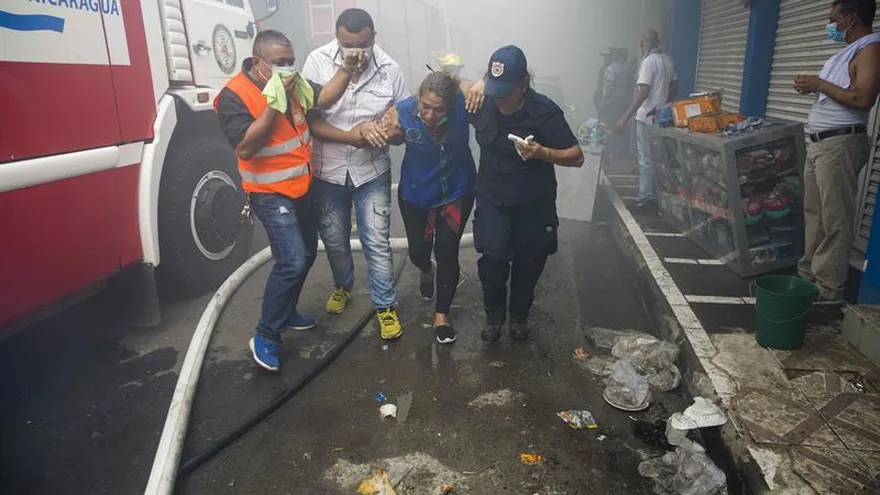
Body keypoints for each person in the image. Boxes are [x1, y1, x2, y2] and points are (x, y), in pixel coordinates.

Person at [214, 30, 361, 372]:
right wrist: (273, 103)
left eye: (291, 61)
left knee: (307, 253)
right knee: (291, 260)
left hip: (302, 187)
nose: (288, 68)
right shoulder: (234, 95)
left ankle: (286, 311)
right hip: (269, 193)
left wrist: (346, 69)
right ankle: (266, 334)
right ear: (258, 63)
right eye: (280, 62)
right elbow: (246, 147)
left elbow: (325, 98)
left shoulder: (295, 85)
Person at [302, 8, 410, 340]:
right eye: (348, 45)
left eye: (363, 44)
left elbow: (404, 126)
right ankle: (343, 284)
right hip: (327, 171)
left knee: (375, 240)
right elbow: (311, 121)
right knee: (334, 239)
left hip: (372, 171)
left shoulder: (390, 70)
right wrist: (351, 136)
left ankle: (385, 305)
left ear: (373, 37)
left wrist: (387, 132)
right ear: (337, 38)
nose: (356, 52)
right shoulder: (317, 62)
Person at [470, 46, 585, 343]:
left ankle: (519, 316)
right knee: (492, 257)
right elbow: (446, 84)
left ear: (523, 84)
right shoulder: (483, 101)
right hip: (493, 196)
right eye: (495, 90)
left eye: (506, 93)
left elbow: (576, 156)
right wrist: (477, 84)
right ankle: (494, 317)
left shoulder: (544, 111)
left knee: (529, 260)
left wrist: (542, 153)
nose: (499, 100)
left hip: (534, 201)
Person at [371, 71, 480, 344]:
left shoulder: (462, 105)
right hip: (416, 193)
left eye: (438, 109)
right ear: (418, 99)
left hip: (456, 190)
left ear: (450, 105)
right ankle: (426, 270)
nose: (430, 115)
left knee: (447, 250)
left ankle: (441, 316)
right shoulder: (403, 110)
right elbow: (390, 133)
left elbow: (477, 87)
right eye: (425, 107)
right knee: (419, 251)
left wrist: (483, 83)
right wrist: (390, 134)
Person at [795, 0, 880, 305]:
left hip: (839, 145)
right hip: (821, 144)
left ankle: (828, 289)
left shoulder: (870, 50)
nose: (829, 24)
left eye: (834, 18)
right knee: (815, 214)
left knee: (835, 218)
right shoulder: (846, 52)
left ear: (851, 18)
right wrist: (814, 86)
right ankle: (808, 279)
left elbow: (863, 99)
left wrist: (820, 84)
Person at [615, 29, 678, 212]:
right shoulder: (668, 60)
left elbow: (643, 92)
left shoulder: (649, 61)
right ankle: (658, 196)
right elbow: (675, 86)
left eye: (642, 43)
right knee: (658, 157)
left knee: (645, 158)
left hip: (646, 118)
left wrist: (624, 117)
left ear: (645, 43)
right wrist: (664, 105)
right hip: (661, 118)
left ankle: (646, 197)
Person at [597, 47, 631, 158]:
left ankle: (610, 152)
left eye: (607, 56)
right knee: (616, 127)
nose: (604, 58)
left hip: (611, 102)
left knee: (608, 127)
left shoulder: (611, 69)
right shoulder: (623, 67)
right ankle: (617, 152)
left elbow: (608, 87)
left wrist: (602, 101)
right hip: (620, 102)